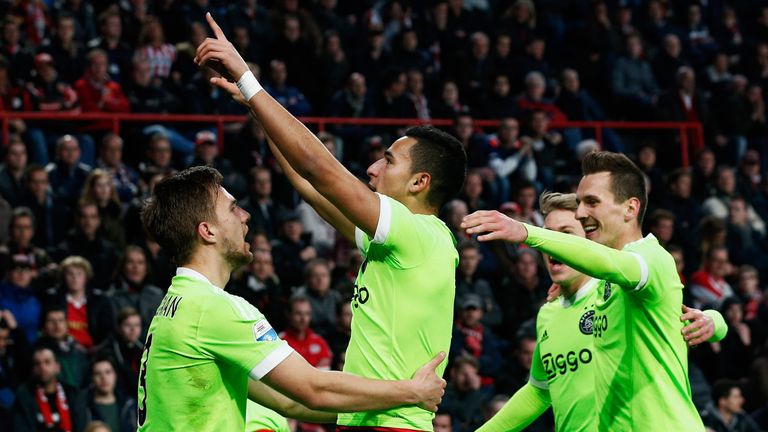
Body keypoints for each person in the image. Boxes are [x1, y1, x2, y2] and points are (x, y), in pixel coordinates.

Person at [195, 13, 466, 431]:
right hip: (364, 419)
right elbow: (307, 182)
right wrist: (256, 109)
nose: (373, 169)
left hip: (393, 424)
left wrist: (250, 81)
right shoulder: (397, 244)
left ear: (420, 182)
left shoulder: (418, 232)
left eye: (388, 160)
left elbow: (318, 168)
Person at [138, 165, 446, 431]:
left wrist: (380, 407)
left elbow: (291, 401)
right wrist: (411, 392)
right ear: (208, 231)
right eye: (232, 209)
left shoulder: (179, 303)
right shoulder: (213, 309)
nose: (245, 216)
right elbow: (313, 388)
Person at [462, 151, 708, 430]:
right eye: (580, 204)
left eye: (591, 202)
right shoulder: (579, 298)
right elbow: (539, 391)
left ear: (630, 208)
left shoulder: (651, 259)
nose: (581, 213)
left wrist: (527, 233)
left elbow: (613, 265)